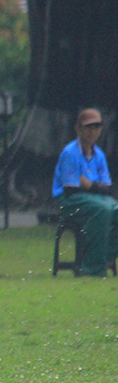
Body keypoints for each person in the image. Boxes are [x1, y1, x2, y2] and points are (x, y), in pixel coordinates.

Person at [52, 107, 118, 277]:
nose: (92, 131)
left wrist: (89, 185)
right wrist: (94, 186)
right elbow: (71, 187)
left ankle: (106, 257)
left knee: (112, 209)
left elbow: (105, 187)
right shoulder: (70, 153)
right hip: (69, 200)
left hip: (93, 198)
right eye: (88, 127)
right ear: (78, 128)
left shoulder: (99, 155)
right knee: (102, 210)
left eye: (96, 127)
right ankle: (92, 266)